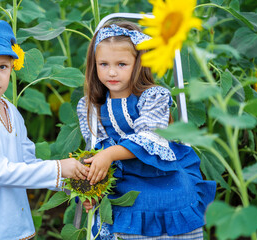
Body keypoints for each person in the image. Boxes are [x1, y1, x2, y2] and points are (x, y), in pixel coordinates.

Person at [0, 17, 88, 240]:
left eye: (2, 67)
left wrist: (74, 183)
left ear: (12, 67)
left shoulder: (9, 108)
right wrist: (60, 168)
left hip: (14, 223)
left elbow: (27, 163)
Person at [77, 21, 216, 240]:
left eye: (122, 64)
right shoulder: (90, 105)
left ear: (138, 63)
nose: (111, 72)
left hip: (159, 172)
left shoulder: (153, 96)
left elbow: (150, 136)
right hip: (119, 177)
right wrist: (93, 187)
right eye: (103, 64)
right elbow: (97, 149)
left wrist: (109, 154)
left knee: (179, 194)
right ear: (94, 65)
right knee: (112, 206)